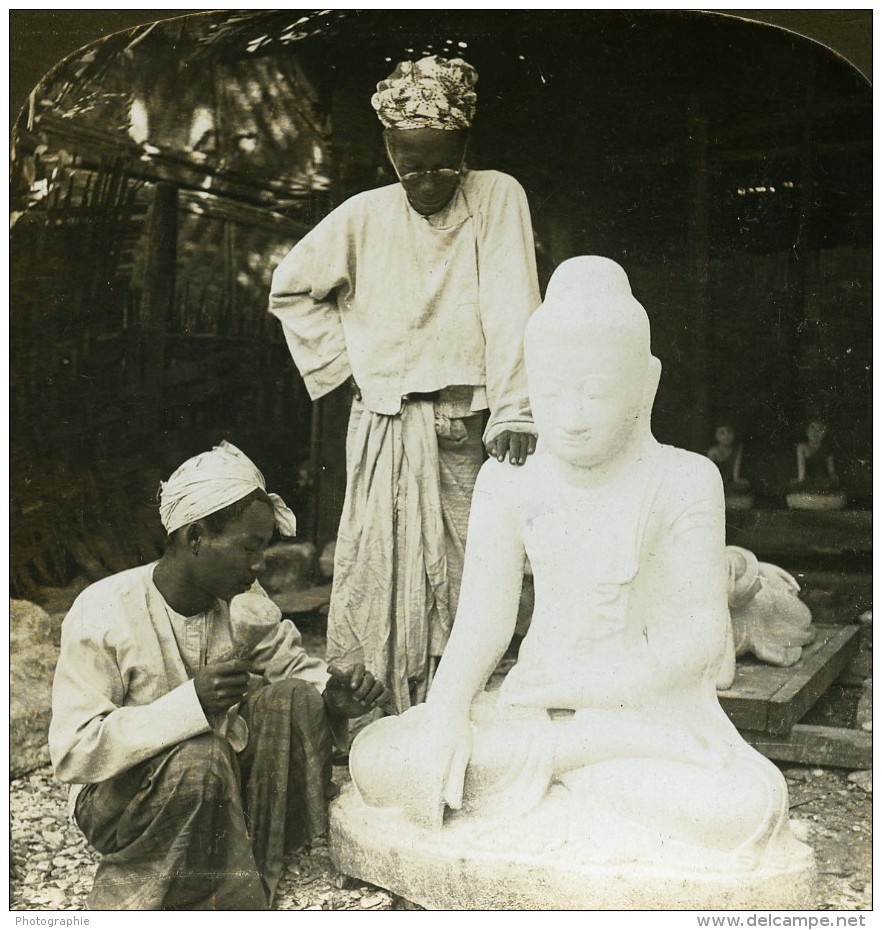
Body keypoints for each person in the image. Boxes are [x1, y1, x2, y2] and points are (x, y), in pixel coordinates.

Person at [348, 257, 810, 876]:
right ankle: (586, 760)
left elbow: (700, 638)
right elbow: (483, 624)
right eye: (551, 393)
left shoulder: (685, 479)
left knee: (744, 806)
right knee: (376, 758)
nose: (571, 415)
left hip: (652, 708)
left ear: (645, 385)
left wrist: (587, 691)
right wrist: (447, 712)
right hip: (539, 713)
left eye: (595, 392)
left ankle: (573, 770)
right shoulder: (508, 483)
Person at [269, 55, 541, 715]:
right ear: (388, 153)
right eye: (410, 165)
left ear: (465, 150)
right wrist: (354, 366)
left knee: (483, 566)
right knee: (382, 570)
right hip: (388, 424)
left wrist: (516, 409)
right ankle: (380, 715)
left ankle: (467, 709)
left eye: (442, 164)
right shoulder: (364, 216)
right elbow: (292, 287)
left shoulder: (497, 196)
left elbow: (514, 304)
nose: (427, 180)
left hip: (473, 426)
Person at [49, 442, 388, 910]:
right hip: (119, 807)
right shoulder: (104, 609)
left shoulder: (244, 598)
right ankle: (216, 890)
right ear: (195, 537)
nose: (260, 563)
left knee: (294, 700)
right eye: (250, 546)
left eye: (264, 547)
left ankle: (244, 854)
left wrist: (335, 699)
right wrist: (192, 705)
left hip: (217, 782)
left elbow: (294, 671)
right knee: (201, 753)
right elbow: (73, 751)